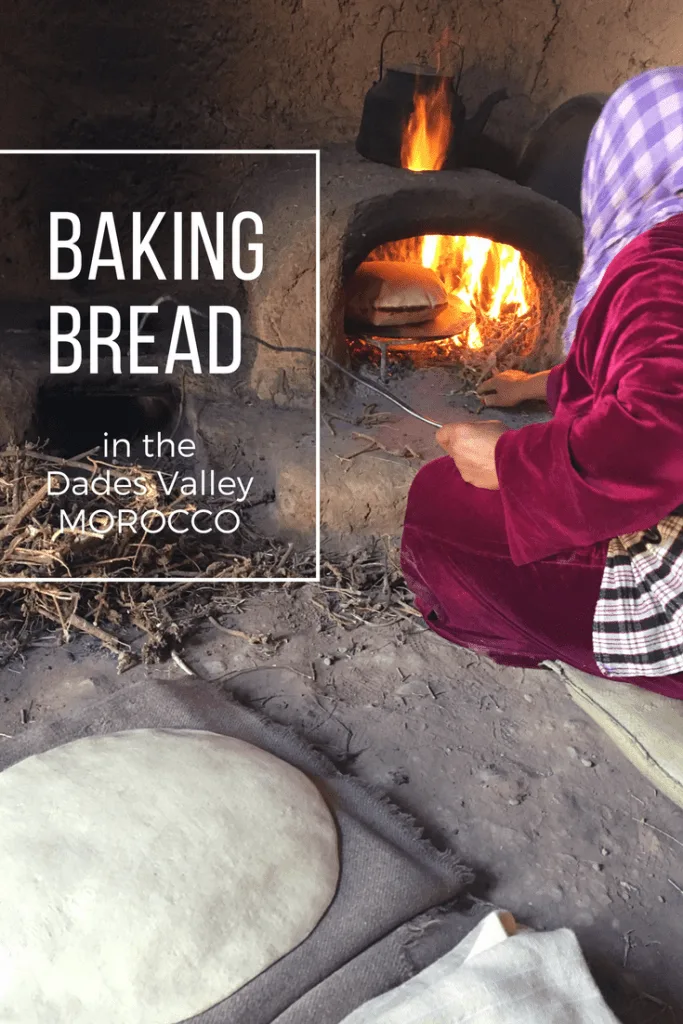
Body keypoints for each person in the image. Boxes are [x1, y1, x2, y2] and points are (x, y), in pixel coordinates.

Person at [400, 66, 683, 700]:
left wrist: (508, 459)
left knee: (437, 506)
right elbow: (661, 369)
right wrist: (541, 387)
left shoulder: (666, 264)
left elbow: (659, 429)